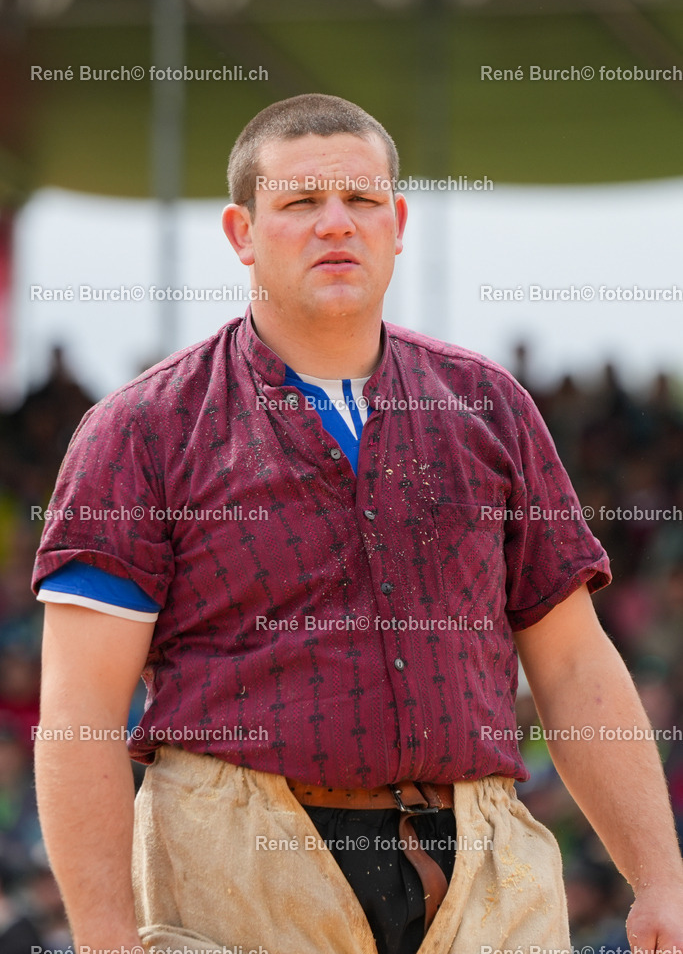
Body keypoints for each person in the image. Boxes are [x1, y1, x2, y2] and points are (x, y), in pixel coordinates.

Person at [32, 94, 683, 954]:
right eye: (300, 203)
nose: (335, 224)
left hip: (485, 867)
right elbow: (80, 712)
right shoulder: (142, 428)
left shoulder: (490, 407)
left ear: (398, 221)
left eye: (362, 200)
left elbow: (572, 664)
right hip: (236, 865)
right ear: (240, 232)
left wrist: (660, 877)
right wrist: (108, 942)